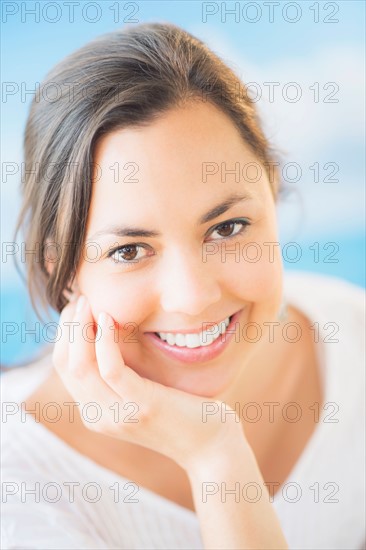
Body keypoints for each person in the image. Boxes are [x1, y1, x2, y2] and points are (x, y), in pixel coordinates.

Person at [1, 22, 364, 550]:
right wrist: (216, 457)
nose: (194, 297)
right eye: (129, 251)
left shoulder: (352, 337)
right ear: (65, 269)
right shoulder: (18, 492)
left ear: (274, 191)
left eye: (227, 228)